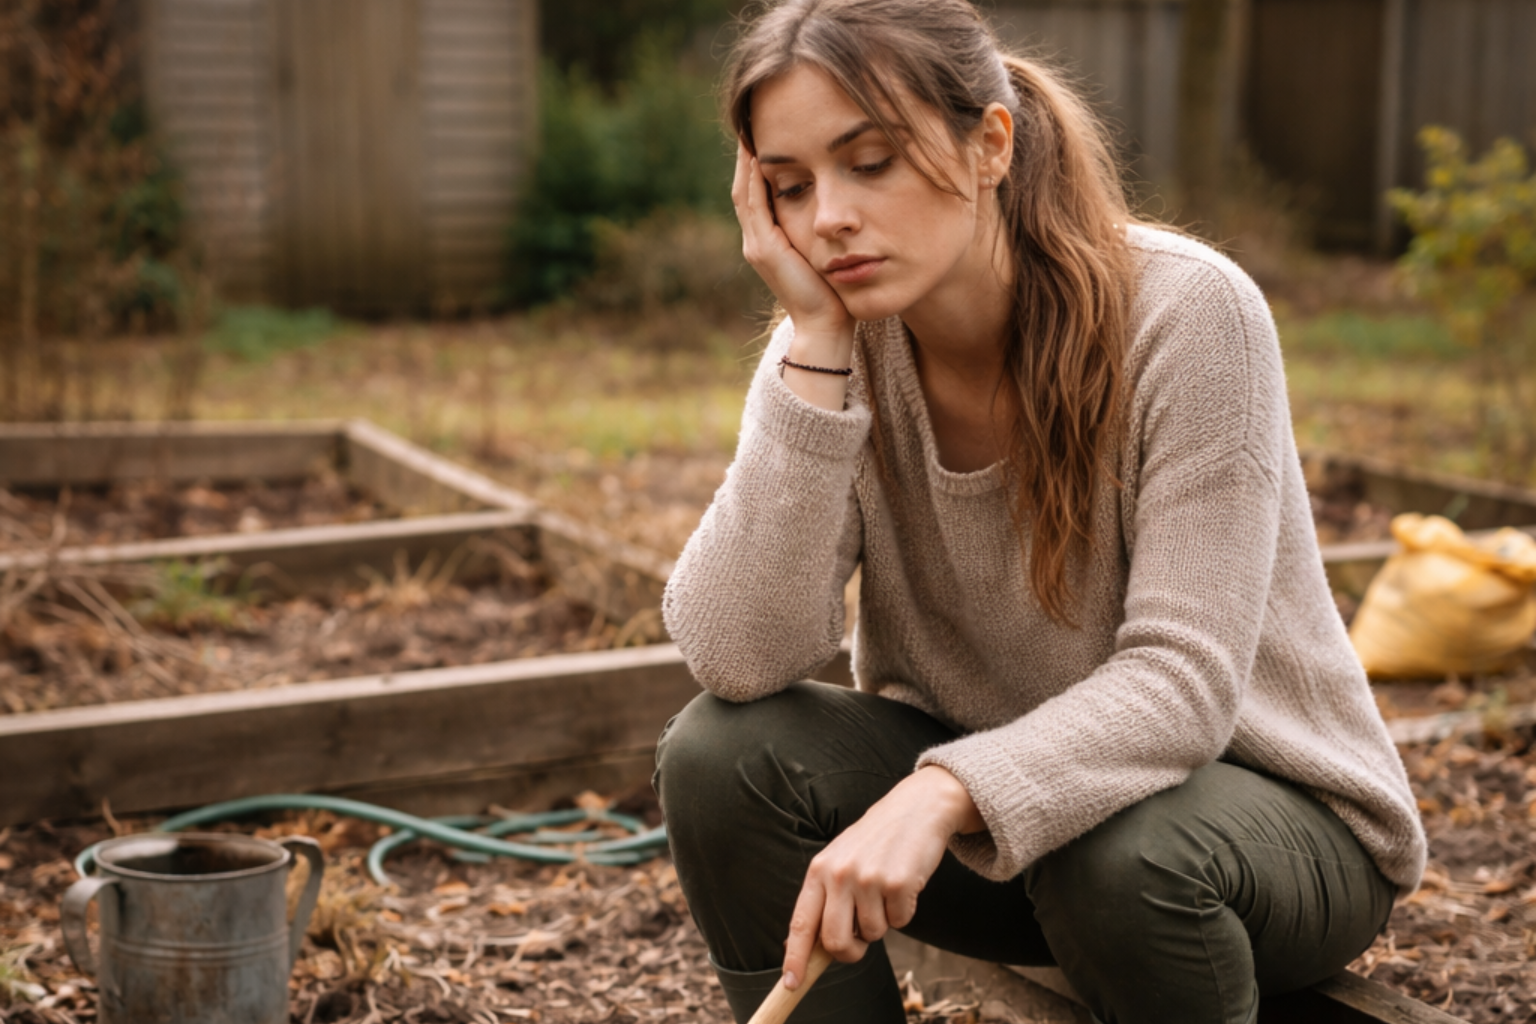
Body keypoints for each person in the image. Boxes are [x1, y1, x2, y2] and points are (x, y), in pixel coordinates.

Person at [653, 2, 1427, 1022]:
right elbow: (736, 655)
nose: (828, 217)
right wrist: (812, 343)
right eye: (791, 187)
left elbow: (1184, 685)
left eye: (870, 161)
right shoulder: (835, 344)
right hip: (1022, 835)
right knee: (718, 758)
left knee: (1118, 851)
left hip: (1263, 830)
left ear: (990, 142)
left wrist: (938, 791)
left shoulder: (1190, 314)